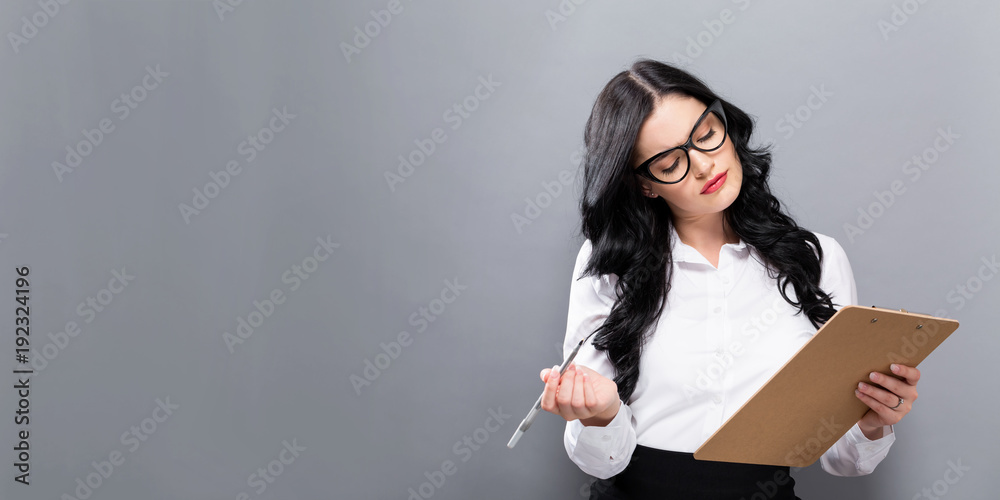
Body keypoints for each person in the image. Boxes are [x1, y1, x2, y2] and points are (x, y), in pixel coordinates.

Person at [537, 59, 921, 499]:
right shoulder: (609, 267)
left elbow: (843, 461)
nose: (703, 165)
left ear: (725, 123)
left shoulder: (817, 259)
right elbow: (597, 459)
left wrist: (872, 421)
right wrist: (600, 414)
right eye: (669, 163)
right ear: (645, 184)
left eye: (706, 136)